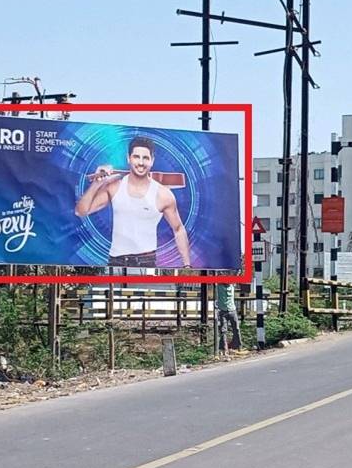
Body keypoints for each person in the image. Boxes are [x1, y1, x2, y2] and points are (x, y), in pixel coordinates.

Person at [75, 136, 191, 268]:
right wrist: (96, 184)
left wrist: (187, 265)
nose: (141, 162)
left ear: (152, 161)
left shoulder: (163, 195)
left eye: (145, 158)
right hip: (116, 261)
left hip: (146, 261)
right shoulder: (114, 187)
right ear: (128, 158)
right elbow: (80, 211)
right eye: (136, 157)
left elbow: (178, 229)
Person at [216, 283, 242, 354]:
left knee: (236, 328)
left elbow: (237, 274)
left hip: (232, 310)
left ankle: (238, 346)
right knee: (223, 330)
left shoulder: (232, 285)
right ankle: (223, 349)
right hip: (222, 311)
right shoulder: (219, 286)